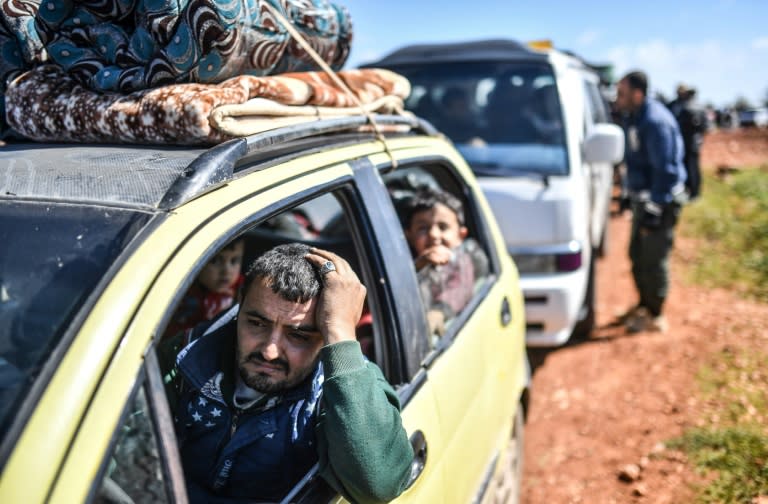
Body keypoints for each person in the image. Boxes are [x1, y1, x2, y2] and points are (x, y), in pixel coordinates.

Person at [159, 243, 413, 503]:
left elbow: (379, 486)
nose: (270, 351)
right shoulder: (187, 356)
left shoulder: (343, 384)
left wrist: (341, 332)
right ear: (240, 303)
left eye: (299, 335)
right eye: (257, 324)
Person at [614, 71, 688, 333]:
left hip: (661, 201)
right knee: (637, 255)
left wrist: (655, 209)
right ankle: (644, 305)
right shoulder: (634, 117)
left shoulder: (656, 122)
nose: (617, 98)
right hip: (644, 200)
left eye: (621, 93)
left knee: (653, 259)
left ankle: (656, 316)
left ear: (637, 94)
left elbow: (666, 171)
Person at [401, 187, 488, 336]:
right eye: (423, 228)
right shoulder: (401, 263)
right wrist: (420, 264)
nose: (434, 235)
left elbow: (460, 287)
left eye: (443, 227)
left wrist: (439, 312)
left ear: (461, 235)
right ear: (408, 235)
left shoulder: (465, 258)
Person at [163, 238, 245, 340]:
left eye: (234, 261)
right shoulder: (184, 294)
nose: (226, 271)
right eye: (215, 261)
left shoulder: (243, 289)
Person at [667, 83, 710, 199]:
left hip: (689, 143)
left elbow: (704, 127)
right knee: (689, 167)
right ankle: (691, 191)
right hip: (689, 143)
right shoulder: (680, 105)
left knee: (692, 168)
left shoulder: (687, 107)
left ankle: (694, 192)